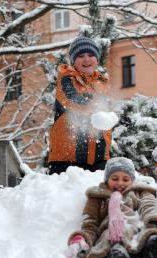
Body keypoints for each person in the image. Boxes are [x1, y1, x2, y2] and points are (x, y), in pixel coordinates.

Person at [48, 36, 112, 175]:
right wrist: (89, 103)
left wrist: (118, 118)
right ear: (73, 60)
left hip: (98, 157)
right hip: (67, 157)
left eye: (91, 55)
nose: (87, 59)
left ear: (97, 59)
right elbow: (71, 98)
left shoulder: (102, 83)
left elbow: (109, 111)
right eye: (81, 56)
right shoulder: (67, 79)